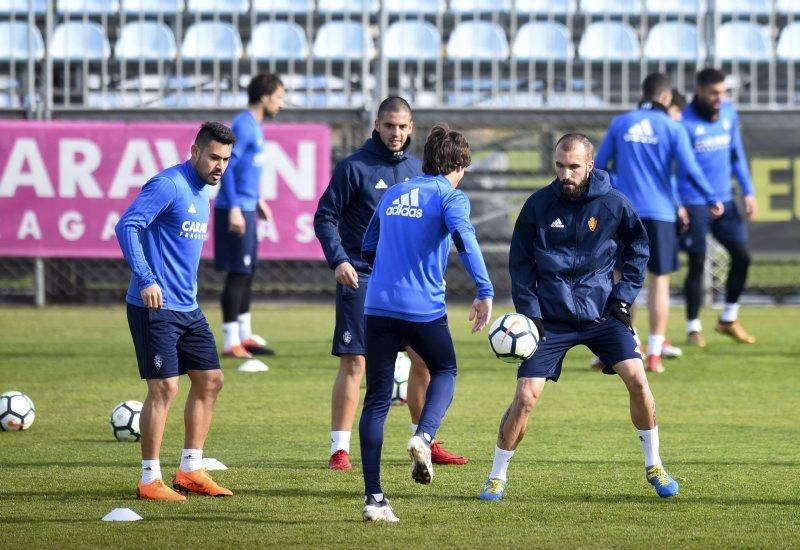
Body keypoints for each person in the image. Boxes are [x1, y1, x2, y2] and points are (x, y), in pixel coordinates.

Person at [478, 134, 679, 502]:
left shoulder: (614, 203)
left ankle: (655, 465)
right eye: (559, 166)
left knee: (638, 379)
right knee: (525, 397)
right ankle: (496, 475)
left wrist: (622, 300)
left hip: (602, 314)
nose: (565, 174)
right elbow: (520, 265)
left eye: (573, 166)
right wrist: (531, 315)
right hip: (550, 320)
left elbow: (639, 250)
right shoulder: (538, 205)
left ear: (590, 165)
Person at [314, 97, 468, 471]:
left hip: (409, 282)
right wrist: (339, 260)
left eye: (402, 126)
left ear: (411, 127)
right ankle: (339, 449)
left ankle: (423, 439)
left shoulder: (421, 171)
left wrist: (435, 272)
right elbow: (325, 217)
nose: (395, 133)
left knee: (424, 361)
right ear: (377, 126)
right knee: (354, 361)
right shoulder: (355, 168)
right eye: (389, 126)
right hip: (362, 275)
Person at [359, 124, 493, 522]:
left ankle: (374, 499)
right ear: (459, 165)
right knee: (446, 369)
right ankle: (423, 435)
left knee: (377, 401)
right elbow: (466, 242)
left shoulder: (396, 192)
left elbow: (368, 247)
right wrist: (484, 290)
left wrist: (391, 273)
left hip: (378, 307)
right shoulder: (450, 197)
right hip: (422, 309)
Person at [116, 122, 236, 501]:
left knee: (210, 380)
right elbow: (128, 225)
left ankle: (190, 470)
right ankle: (150, 479)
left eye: (226, 160)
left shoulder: (204, 192)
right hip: (155, 306)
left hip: (188, 307)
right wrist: (147, 278)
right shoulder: (168, 184)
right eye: (214, 157)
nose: (220, 165)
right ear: (195, 151)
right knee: (165, 387)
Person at [595, 73, 723, 373]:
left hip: (625, 212)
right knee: (659, 282)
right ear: (666, 98)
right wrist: (711, 196)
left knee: (622, 281)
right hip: (662, 214)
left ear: (644, 93)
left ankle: (626, 347)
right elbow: (689, 168)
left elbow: (599, 166)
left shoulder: (621, 122)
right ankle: (654, 353)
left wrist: (618, 188)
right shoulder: (673, 127)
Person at [678, 68, 758, 347]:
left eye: (723, 92)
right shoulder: (684, 121)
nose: (719, 98)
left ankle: (728, 317)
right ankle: (693, 328)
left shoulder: (728, 113)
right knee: (697, 262)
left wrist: (748, 191)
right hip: (695, 201)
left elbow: (737, 154)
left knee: (743, 256)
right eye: (714, 93)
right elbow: (676, 168)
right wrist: (680, 203)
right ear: (699, 90)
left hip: (724, 200)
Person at [214, 74, 286, 359]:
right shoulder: (243, 125)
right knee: (237, 272)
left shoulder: (254, 126)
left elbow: (247, 170)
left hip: (246, 205)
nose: (282, 103)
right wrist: (233, 206)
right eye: (279, 97)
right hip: (234, 208)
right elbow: (228, 166)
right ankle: (230, 340)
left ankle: (244, 334)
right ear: (266, 96)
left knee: (248, 270)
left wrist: (257, 199)